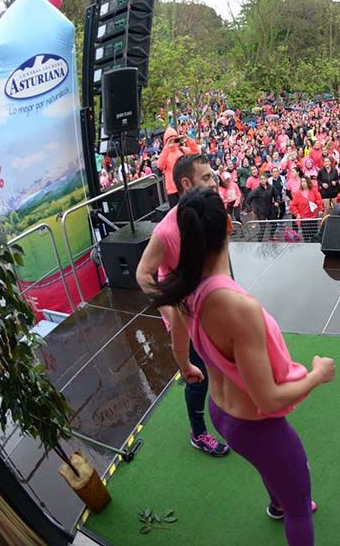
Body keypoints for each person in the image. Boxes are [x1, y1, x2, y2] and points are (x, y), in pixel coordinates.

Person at [151, 187, 335, 545]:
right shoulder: (238, 307)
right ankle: (287, 506)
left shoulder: (183, 285)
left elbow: (177, 334)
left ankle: (276, 504)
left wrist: (185, 365)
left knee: (272, 467)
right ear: (230, 226)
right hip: (255, 424)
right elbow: (269, 400)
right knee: (299, 505)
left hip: (220, 412)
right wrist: (317, 375)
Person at [136, 154, 230, 458]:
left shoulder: (213, 214)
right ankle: (198, 432)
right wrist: (169, 309)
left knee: (223, 362)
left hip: (213, 308)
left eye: (213, 176)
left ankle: (229, 408)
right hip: (185, 318)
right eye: (206, 178)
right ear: (186, 184)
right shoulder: (165, 231)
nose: (214, 182)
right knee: (196, 375)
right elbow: (142, 273)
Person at [156, 127, 200, 206]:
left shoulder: (182, 150)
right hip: (172, 191)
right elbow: (160, 166)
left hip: (185, 187)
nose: (174, 142)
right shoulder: (165, 154)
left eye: (175, 139)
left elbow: (195, 152)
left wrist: (188, 140)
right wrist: (167, 147)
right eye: (170, 140)